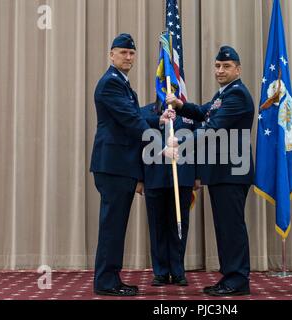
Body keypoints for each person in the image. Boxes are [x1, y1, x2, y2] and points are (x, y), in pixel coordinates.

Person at [90, 33, 176, 297]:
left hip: (120, 166)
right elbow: (130, 120)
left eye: (131, 53)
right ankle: (105, 282)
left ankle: (111, 278)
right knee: (112, 227)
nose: (128, 57)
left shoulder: (125, 86)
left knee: (116, 227)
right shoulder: (110, 84)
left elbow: (137, 116)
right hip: (113, 165)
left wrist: (159, 119)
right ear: (111, 55)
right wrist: (161, 146)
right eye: (122, 52)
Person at [166, 46, 254, 297]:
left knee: (232, 227)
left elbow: (213, 127)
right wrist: (180, 105)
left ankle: (237, 279)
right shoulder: (223, 94)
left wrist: (180, 141)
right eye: (217, 66)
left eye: (226, 66)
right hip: (221, 172)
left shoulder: (237, 95)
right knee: (225, 228)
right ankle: (231, 277)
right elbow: (205, 112)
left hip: (232, 171)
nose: (220, 70)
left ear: (238, 69)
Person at [140, 98, 200, 287]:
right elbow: (138, 143)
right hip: (154, 176)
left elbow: (199, 146)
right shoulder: (145, 113)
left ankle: (178, 270)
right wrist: (139, 179)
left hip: (182, 177)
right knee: (157, 226)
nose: (169, 91)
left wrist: (198, 175)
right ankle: (161, 271)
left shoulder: (189, 114)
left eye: (174, 86)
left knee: (179, 225)